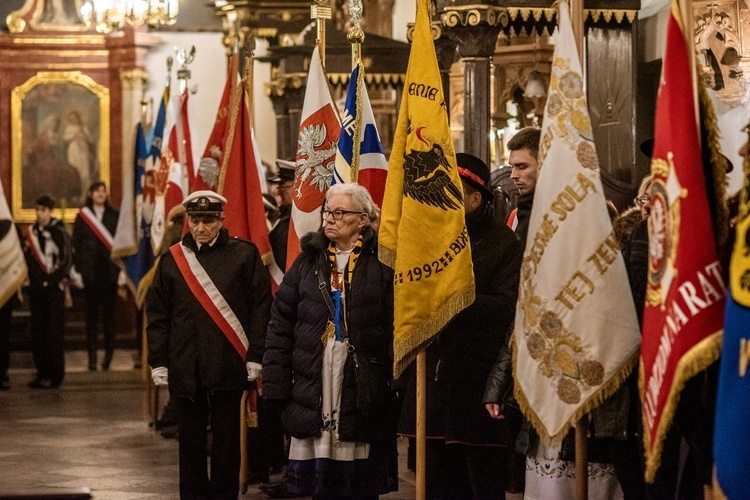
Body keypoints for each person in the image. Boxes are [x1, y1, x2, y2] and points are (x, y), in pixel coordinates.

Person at [398, 153, 522, 499]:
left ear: (474, 199)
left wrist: (456, 298)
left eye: (451, 192)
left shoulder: (502, 243)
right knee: (435, 481)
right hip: (431, 381)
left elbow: (506, 307)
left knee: (481, 482)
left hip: (476, 385)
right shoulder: (426, 242)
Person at [263, 183, 396, 499]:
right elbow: (280, 324)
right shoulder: (308, 261)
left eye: (340, 212)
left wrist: (395, 383)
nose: (329, 219)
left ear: (363, 219)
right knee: (319, 483)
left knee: (360, 479)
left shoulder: (383, 262)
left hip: (361, 381)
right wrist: (276, 384)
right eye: (327, 212)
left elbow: (394, 327)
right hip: (314, 376)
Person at [147, 190, 272, 499]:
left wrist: (256, 355)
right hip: (185, 365)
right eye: (195, 220)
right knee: (189, 441)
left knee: (227, 440)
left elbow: (260, 308)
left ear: (221, 220)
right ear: (188, 220)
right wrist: (158, 360)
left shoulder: (244, 255)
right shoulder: (172, 260)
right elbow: (159, 315)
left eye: (207, 220)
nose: (200, 227)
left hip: (228, 363)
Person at [21, 195, 72, 389]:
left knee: (54, 333)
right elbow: (28, 261)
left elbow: (66, 260)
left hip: (54, 290)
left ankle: (55, 374)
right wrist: (37, 281)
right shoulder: (30, 234)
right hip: (36, 290)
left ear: (50, 212)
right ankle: (41, 372)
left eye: (43, 210)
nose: (40, 214)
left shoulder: (59, 233)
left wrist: (51, 280)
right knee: (38, 333)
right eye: (37, 210)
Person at [72, 181, 120, 371]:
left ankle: (108, 358)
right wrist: (76, 270)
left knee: (109, 319)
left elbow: (120, 244)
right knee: (91, 319)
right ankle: (92, 358)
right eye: (97, 191)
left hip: (109, 274)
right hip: (90, 274)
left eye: (103, 191)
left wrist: (121, 272)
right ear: (91, 194)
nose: (100, 194)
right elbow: (76, 243)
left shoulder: (114, 216)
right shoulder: (82, 217)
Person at [268, 159, 296, 272]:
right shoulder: (282, 213)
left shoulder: (308, 218)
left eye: (283, 186)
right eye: (278, 186)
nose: (279, 192)